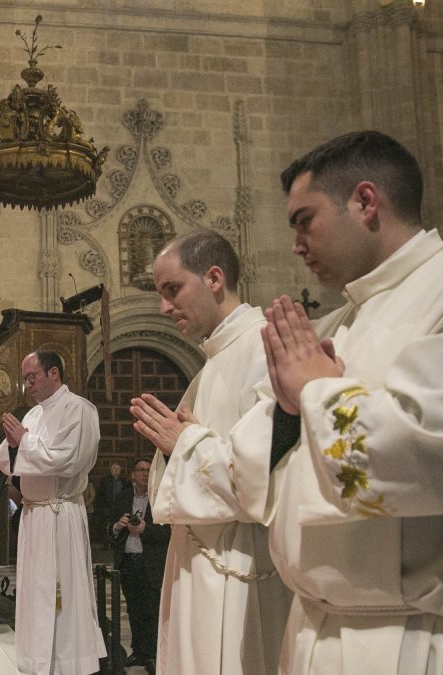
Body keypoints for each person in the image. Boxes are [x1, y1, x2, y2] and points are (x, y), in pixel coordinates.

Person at [138, 130, 443, 673]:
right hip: (316, 630)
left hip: (430, 639)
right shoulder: (334, 325)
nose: (295, 244)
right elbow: (264, 465)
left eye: (304, 221)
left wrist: (316, 390)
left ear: (366, 202)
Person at [131, 229, 291, 674]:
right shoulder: (215, 360)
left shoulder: (266, 348)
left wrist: (182, 444)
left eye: (172, 289)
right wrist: (177, 447)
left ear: (215, 277)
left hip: (242, 572)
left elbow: (266, 475)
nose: (164, 307)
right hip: (200, 563)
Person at [0, 348, 106, 675]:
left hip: (60, 515)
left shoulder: (79, 410)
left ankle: (66, 665)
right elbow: (6, 458)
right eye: (25, 379)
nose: (27, 385)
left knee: (61, 598)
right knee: (34, 597)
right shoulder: (34, 415)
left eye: (32, 377)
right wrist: (16, 446)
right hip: (33, 517)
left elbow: (68, 459)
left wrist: (24, 443)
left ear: (53, 373)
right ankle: (38, 663)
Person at [105, 458, 170, 670]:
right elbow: (106, 528)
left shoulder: (160, 499)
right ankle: (139, 651)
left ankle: (152, 654)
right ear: (133, 474)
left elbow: (169, 533)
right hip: (128, 562)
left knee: (151, 610)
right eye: (140, 470)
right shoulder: (123, 498)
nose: (144, 473)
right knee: (133, 609)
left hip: (149, 562)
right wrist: (117, 526)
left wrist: (145, 529)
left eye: (148, 470)